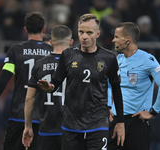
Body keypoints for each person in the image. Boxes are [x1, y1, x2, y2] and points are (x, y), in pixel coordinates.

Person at [37, 13, 125, 150]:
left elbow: (117, 90)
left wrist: (121, 122)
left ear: (98, 34)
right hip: (71, 124)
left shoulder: (109, 58)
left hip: (98, 123)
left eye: (89, 32)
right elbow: (55, 82)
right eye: (81, 32)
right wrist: (49, 87)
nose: (84, 36)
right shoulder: (68, 55)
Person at [0, 12, 53, 150]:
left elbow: (2, 82)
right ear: (44, 29)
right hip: (44, 118)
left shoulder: (16, 50)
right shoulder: (52, 52)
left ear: (25, 30)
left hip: (19, 116)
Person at [107, 22, 160, 150]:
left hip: (136, 124)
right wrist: (109, 105)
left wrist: (153, 112)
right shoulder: (117, 60)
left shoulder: (148, 60)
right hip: (115, 120)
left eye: (116, 36)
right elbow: (108, 85)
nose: (113, 40)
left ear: (128, 40)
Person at [22, 25, 73, 150]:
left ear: (51, 42)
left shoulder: (39, 64)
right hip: (72, 128)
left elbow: (29, 99)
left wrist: (27, 127)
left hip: (47, 127)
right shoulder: (76, 64)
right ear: (71, 42)